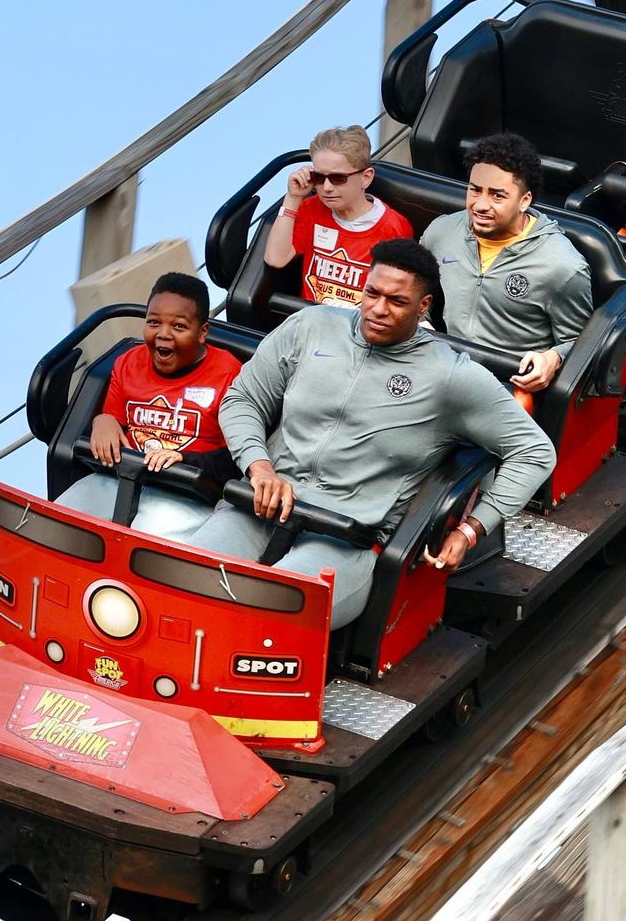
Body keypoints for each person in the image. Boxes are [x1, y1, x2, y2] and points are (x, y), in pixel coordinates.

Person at [184, 239, 555, 629]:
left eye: (396, 301)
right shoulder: (311, 326)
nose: (378, 309)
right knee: (183, 580)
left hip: (346, 539)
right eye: (372, 293)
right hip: (257, 509)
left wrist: (470, 529)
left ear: (423, 306)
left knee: (269, 613)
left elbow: (534, 451)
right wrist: (259, 467)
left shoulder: (452, 376)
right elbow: (243, 399)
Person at [55, 272, 241, 538]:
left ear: (202, 333)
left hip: (185, 492)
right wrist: (102, 420)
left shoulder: (229, 374)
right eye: (154, 322)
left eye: (178, 326)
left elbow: (235, 457)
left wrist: (186, 460)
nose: (163, 334)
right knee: (63, 519)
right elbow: (112, 418)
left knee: (147, 540)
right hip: (120, 478)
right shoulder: (128, 362)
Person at [420, 132, 593, 392]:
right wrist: (418, 320)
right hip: (441, 367)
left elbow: (583, 344)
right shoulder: (442, 232)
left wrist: (554, 358)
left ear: (525, 201)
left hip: (508, 386)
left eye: (497, 195)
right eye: (475, 190)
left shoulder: (562, 266)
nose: (480, 205)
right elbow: (416, 289)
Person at [263, 125, 414, 309]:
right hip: (308, 318)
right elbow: (275, 259)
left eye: (338, 178)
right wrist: (293, 198)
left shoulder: (395, 227)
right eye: (319, 177)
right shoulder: (311, 208)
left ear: (366, 178)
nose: (327, 187)